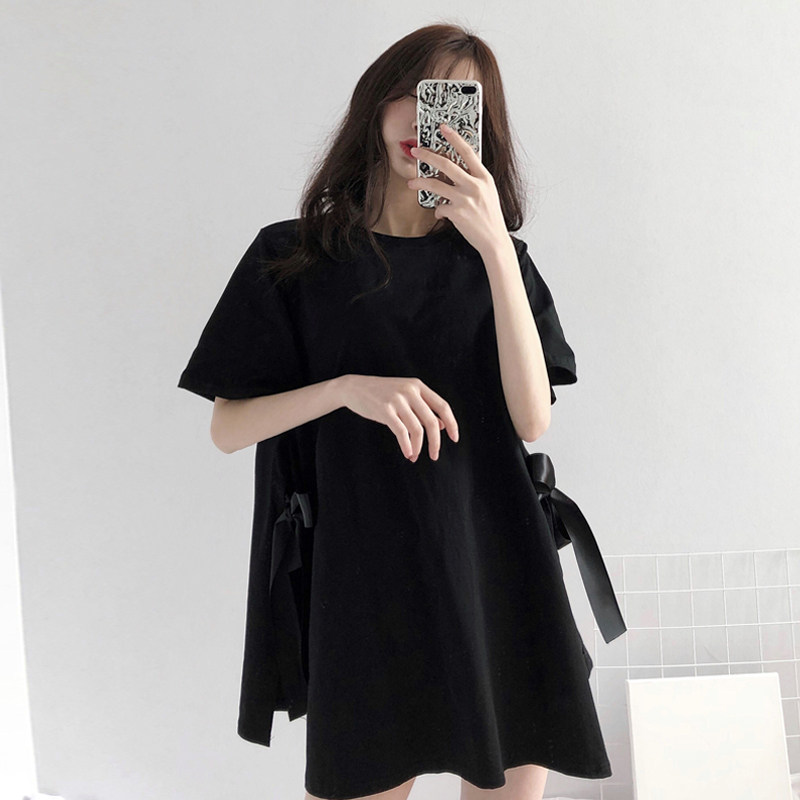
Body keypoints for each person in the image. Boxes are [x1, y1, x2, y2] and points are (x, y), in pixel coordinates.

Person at [178, 22, 611, 800]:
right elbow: (227, 428)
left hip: (497, 566)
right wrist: (346, 389)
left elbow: (532, 420)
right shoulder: (295, 256)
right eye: (409, 92)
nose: (422, 116)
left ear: (479, 123)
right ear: (376, 105)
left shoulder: (499, 262)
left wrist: (495, 247)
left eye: (450, 98)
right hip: (364, 577)